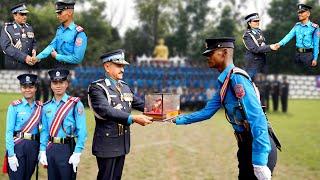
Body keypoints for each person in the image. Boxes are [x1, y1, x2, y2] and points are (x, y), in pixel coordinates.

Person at [173, 37, 279, 180]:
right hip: (245, 146)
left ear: (224, 53)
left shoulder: (237, 78)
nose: (207, 57)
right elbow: (206, 112)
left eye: (211, 54)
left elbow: (257, 117)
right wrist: (177, 119)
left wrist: (260, 161)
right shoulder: (225, 83)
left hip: (258, 146)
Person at [88, 49, 153, 180]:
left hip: (122, 144)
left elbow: (141, 104)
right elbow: (105, 110)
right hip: (107, 145)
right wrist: (132, 118)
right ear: (107, 66)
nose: (122, 69)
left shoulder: (124, 87)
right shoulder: (97, 88)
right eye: (119, 65)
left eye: (123, 66)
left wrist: (163, 111)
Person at [38, 69, 87, 180]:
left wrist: (77, 152)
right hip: (51, 149)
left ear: (67, 84)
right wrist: (42, 150)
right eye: (55, 83)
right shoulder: (46, 107)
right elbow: (45, 130)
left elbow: (82, 130)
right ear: (51, 85)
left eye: (61, 82)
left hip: (67, 149)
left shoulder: (75, 104)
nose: (58, 86)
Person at [4, 73, 42, 179]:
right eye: (24, 87)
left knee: (27, 177)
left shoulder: (40, 107)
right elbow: (9, 131)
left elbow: (43, 130)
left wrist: (42, 149)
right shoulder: (14, 106)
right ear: (21, 88)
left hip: (34, 146)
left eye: (31, 87)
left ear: (35, 88)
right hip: (18, 146)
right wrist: (11, 154)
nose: (27, 90)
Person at [35, 0, 87, 69]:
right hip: (58, 67)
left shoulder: (79, 33)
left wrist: (57, 56)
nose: (57, 16)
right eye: (57, 13)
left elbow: (77, 58)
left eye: (60, 13)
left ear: (70, 12)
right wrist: (37, 57)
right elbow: (52, 46)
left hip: (72, 70)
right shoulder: (60, 30)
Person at [276, 4, 319, 68]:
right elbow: (289, 36)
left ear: (308, 14)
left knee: (305, 76)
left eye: (302, 12)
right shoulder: (297, 26)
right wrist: (279, 44)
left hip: (308, 56)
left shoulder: (314, 27)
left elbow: (316, 44)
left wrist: (315, 59)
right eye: (299, 12)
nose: (299, 14)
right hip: (297, 55)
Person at [0, 3, 37, 69]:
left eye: (25, 14)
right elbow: (6, 47)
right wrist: (25, 57)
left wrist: (34, 51)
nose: (25, 16)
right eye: (22, 14)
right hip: (14, 66)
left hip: (29, 66)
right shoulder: (7, 28)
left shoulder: (29, 27)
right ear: (15, 15)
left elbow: (34, 42)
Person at [242, 13, 278, 80]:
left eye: (258, 21)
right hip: (253, 64)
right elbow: (255, 49)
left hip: (262, 63)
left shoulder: (259, 32)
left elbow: (262, 45)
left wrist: (272, 47)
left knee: (263, 85)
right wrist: (270, 47)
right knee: (249, 83)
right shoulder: (247, 35)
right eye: (255, 21)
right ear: (249, 23)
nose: (257, 22)